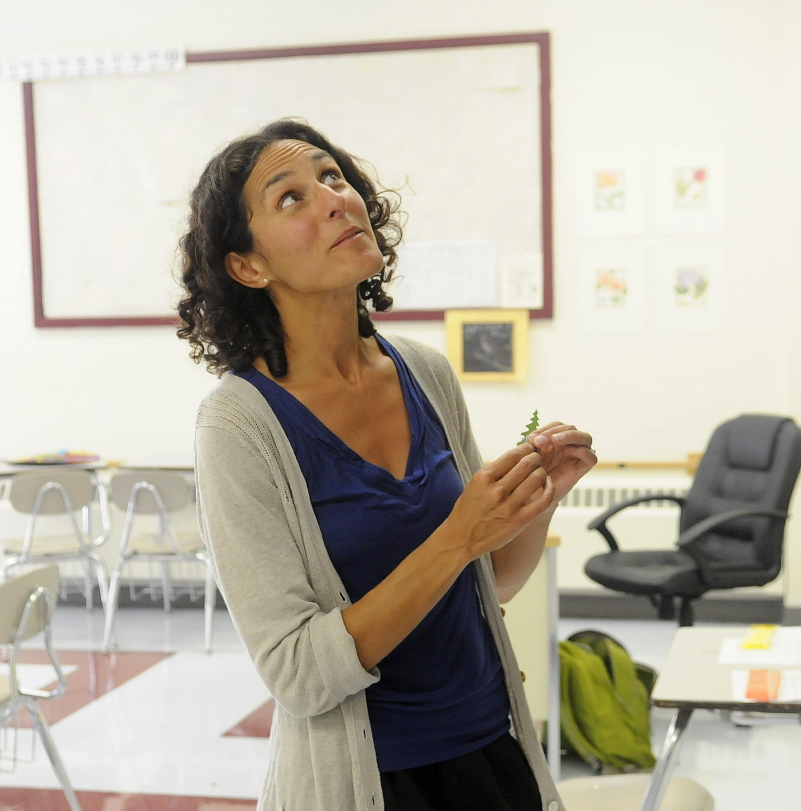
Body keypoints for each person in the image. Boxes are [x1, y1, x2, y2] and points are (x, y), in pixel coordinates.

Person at [176, 118, 596, 811]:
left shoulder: (424, 372)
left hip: (492, 752)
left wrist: (537, 498)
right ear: (249, 266)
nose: (333, 198)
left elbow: (484, 586)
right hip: (368, 782)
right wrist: (459, 533)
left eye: (333, 176)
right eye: (291, 197)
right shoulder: (237, 425)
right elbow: (299, 672)